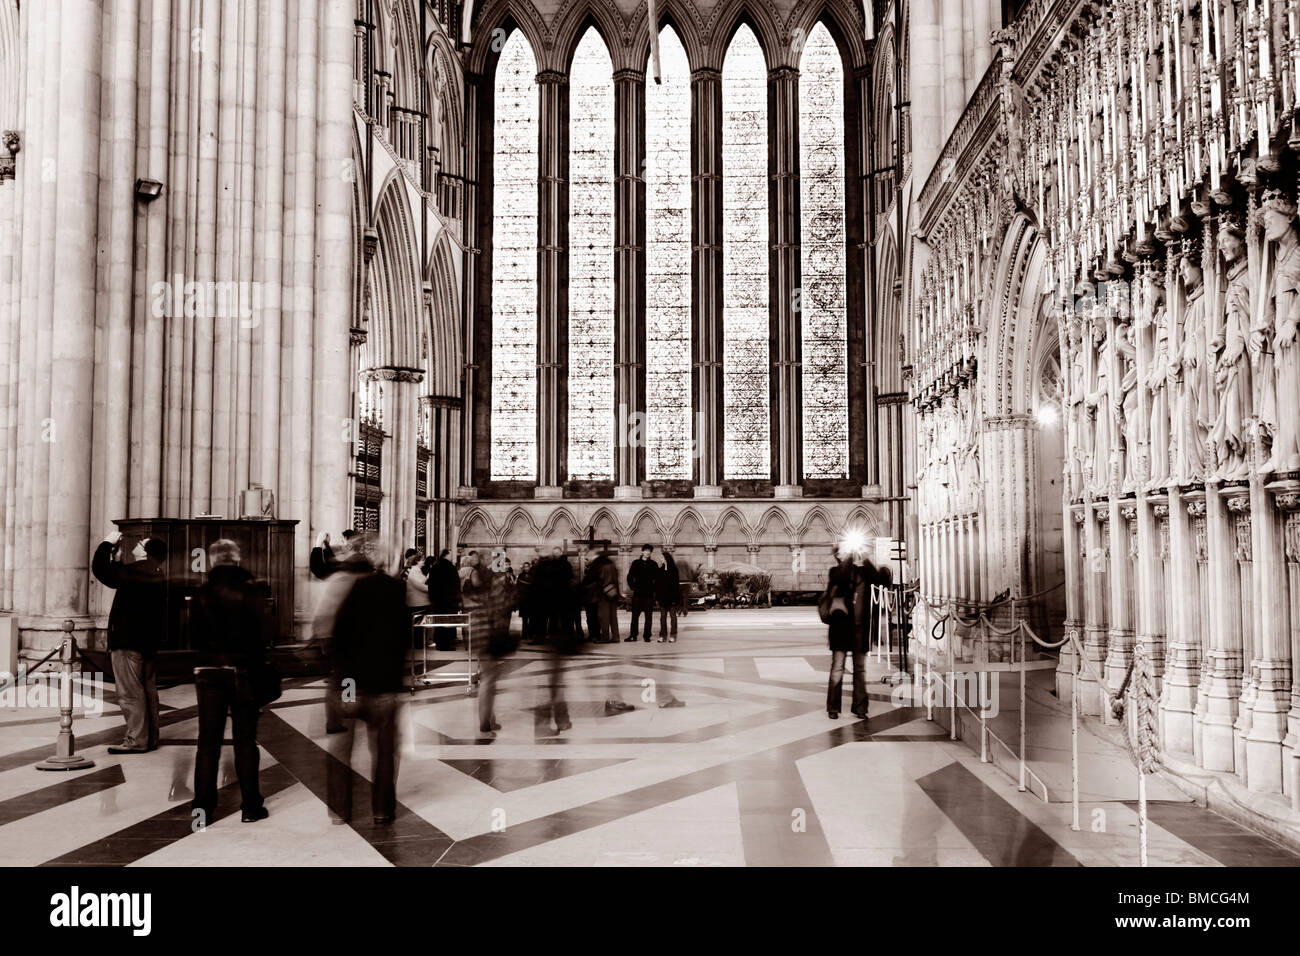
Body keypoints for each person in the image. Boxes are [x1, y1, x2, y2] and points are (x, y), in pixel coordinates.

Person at [326, 535, 409, 826]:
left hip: (350, 683)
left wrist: (339, 674)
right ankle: (382, 810)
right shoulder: (397, 590)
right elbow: (403, 638)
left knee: (340, 748)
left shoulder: (350, 586)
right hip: (384, 683)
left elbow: (339, 635)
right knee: (385, 751)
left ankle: (339, 811)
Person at [187, 539, 271, 824]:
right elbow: (261, 637)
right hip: (242, 671)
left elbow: (193, 637)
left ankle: (203, 808)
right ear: (236, 559)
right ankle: (250, 807)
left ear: (212, 561)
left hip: (208, 671)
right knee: (245, 741)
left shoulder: (201, 592)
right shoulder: (252, 590)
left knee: (207, 743)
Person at [91, 531, 168, 754]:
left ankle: (136, 740)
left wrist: (106, 543)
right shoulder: (155, 572)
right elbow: (119, 576)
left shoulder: (136, 571)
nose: (135, 545)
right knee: (147, 690)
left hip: (128, 642)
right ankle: (150, 737)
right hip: (148, 642)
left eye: (140, 544)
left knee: (130, 693)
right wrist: (116, 560)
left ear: (145, 552)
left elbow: (101, 571)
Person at [311, 534, 372, 734]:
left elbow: (325, 609)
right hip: (340, 635)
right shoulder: (349, 580)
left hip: (333, 634)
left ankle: (341, 713)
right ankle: (343, 712)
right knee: (345, 675)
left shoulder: (339, 577)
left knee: (341, 675)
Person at [822, 549, 868, 720]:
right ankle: (833, 707)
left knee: (860, 669)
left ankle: (861, 707)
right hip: (841, 628)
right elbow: (839, 578)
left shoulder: (863, 572)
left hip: (859, 628)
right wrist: (848, 558)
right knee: (837, 668)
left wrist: (865, 559)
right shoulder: (836, 573)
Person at [427, 548, 462, 649]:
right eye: (451, 554)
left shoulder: (435, 567)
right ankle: (445, 644)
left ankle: (439, 642)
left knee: (439, 622)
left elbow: (431, 584)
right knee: (447, 621)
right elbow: (456, 584)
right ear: (446, 555)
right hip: (449, 601)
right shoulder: (450, 567)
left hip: (437, 600)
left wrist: (432, 598)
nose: (452, 556)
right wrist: (458, 599)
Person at [626, 544, 659, 642]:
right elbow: (629, 576)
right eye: (646, 550)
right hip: (638, 594)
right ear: (642, 551)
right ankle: (633, 635)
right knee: (635, 616)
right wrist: (633, 586)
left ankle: (647, 636)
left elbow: (657, 579)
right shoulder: (636, 563)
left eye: (649, 551)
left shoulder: (653, 564)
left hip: (649, 594)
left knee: (648, 617)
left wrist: (654, 589)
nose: (648, 552)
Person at [656, 550, 682, 642]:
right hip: (662, 598)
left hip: (672, 598)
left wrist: (676, 599)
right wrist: (657, 598)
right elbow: (657, 585)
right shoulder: (659, 570)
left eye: (662, 557)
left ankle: (673, 635)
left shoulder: (674, 570)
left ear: (666, 559)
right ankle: (663, 635)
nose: (660, 559)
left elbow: (676, 585)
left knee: (673, 617)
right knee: (662, 618)